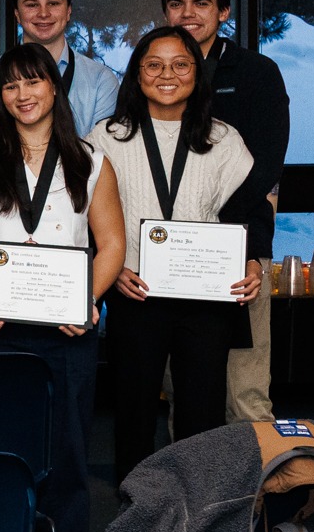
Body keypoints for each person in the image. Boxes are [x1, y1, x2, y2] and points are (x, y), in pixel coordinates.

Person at [0, 45, 126, 532]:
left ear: (54, 88)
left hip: (65, 332)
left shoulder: (91, 162)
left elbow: (111, 243)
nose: (23, 95)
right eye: (10, 86)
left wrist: (87, 300)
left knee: (66, 460)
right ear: (0, 97)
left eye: (33, 83)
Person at [89, 27, 264, 481]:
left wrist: (250, 261)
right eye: (154, 64)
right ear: (137, 73)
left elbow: (250, 210)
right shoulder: (106, 138)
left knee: (201, 418)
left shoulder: (224, 138)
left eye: (180, 64)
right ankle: (136, 514)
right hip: (135, 291)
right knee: (133, 413)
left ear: (197, 73)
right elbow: (81, 213)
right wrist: (111, 269)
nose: (167, 74)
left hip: (206, 297)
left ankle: (198, 518)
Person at [160, 0, 289, 424]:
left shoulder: (256, 72)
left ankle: (252, 495)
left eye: (201, 3)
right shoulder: (156, 72)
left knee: (245, 389)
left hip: (241, 240)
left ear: (225, 11)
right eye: (176, 4)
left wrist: (220, 220)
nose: (188, 14)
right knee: (182, 387)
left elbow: (266, 166)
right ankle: (187, 493)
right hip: (173, 248)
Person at [0, 0, 120, 136]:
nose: (43, 13)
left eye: (53, 3)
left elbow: (100, 153)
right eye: (32, 5)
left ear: (69, 11)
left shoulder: (100, 81)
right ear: (17, 14)